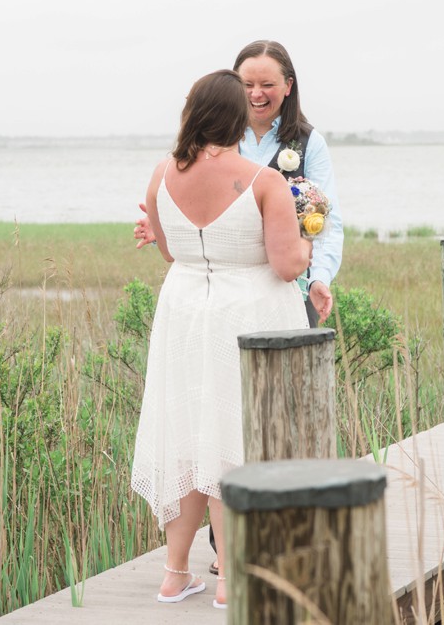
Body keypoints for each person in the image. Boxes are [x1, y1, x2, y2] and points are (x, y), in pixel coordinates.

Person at [130, 70, 311, 610]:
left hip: (183, 314)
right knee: (231, 442)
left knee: (188, 440)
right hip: (245, 317)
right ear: (237, 117)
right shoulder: (264, 182)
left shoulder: (162, 176)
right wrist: (304, 235)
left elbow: (168, 252)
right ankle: (232, 581)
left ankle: (174, 574)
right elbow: (286, 266)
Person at [135, 40, 343, 327]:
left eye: (267, 84)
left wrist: (318, 277)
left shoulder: (311, 144)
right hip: (217, 296)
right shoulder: (212, 144)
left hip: (290, 292)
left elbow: (328, 222)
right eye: (247, 84)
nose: (256, 94)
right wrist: (167, 228)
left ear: (288, 86)